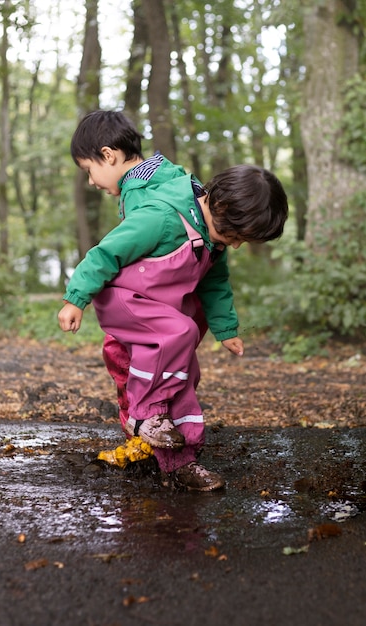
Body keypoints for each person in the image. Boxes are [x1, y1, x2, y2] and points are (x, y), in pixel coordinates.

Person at [58, 110, 289, 491]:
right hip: (126, 302)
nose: (236, 244)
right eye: (237, 236)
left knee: (183, 375)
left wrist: (225, 327)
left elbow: (215, 281)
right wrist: (74, 299)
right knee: (177, 336)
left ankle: (179, 461)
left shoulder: (209, 227)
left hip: (156, 313)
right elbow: (104, 253)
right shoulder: (161, 217)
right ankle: (143, 421)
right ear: (224, 210)